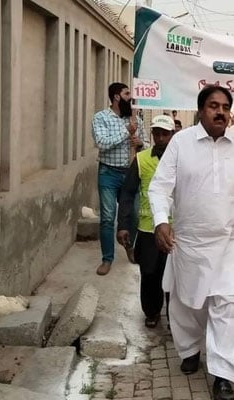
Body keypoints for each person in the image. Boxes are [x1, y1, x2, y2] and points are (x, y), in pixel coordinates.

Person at [148, 85, 234, 400]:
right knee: (188, 302)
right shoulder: (181, 143)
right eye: (214, 105)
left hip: (231, 242)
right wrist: (160, 221)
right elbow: (159, 187)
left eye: (225, 106)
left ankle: (223, 374)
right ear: (201, 110)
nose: (220, 112)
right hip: (190, 241)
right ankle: (188, 349)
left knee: (229, 305)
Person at [117, 115, 175, 328]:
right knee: (149, 273)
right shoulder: (141, 160)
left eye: (165, 134)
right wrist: (123, 225)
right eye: (156, 133)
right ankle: (151, 311)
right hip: (148, 229)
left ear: (172, 135)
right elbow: (127, 193)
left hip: (175, 230)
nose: (160, 138)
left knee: (173, 277)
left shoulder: (182, 159)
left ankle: (173, 316)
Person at [92, 82, 146, 276]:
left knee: (134, 214)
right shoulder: (101, 118)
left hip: (131, 174)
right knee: (107, 218)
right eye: (127, 93)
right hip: (108, 173)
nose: (130, 97)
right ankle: (107, 259)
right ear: (116, 97)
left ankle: (129, 245)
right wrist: (127, 132)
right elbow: (102, 143)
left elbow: (146, 145)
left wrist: (140, 143)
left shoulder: (135, 119)